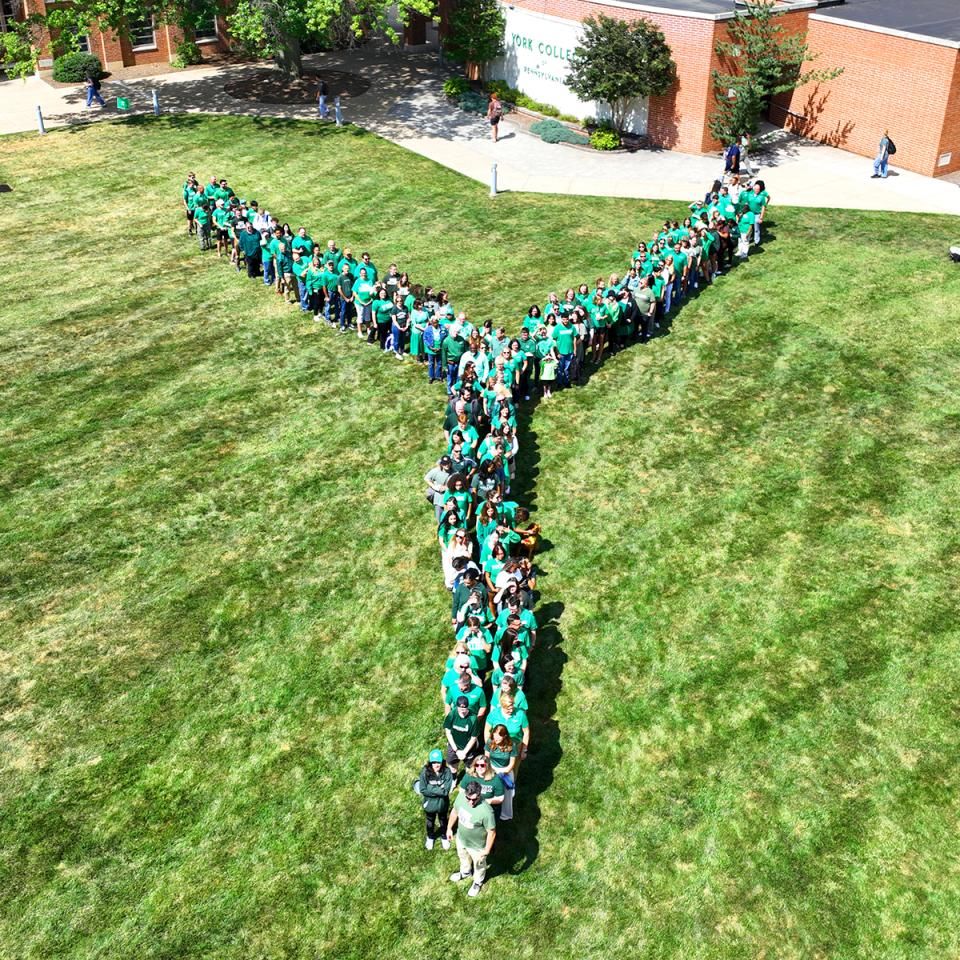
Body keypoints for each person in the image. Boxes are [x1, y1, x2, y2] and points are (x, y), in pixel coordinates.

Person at [447, 780, 495, 897]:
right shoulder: (460, 798)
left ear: (480, 795)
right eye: (468, 799)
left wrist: (486, 850)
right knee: (462, 856)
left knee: (479, 866)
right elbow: (454, 812)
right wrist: (449, 828)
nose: (471, 802)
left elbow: (492, 832)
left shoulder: (487, 812)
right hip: (461, 838)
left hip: (478, 846)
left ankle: (478, 882)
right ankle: (465, 872)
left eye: (474, 799)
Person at [417, 749, 453, 851]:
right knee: (430, 822)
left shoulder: (447, 772)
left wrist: (431, 788)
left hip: (443, 804)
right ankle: (430, 837)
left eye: (438, 762)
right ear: (430, 763)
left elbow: (446, 791)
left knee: (443, 820)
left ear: (442, 761)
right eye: (434, 762)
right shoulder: (425, 772)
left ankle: (444, 837)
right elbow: (423, 789)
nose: (436, 765)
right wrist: (439, 790)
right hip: (430, 804)